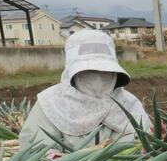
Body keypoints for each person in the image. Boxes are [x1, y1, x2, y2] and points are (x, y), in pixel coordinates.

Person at [19, 30, 150, 154]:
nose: (98, 79)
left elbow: (146, 144)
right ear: (72, 71)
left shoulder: (129, 104)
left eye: (105, 73)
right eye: (89, 72)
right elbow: (35, 150)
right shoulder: (50, 103)